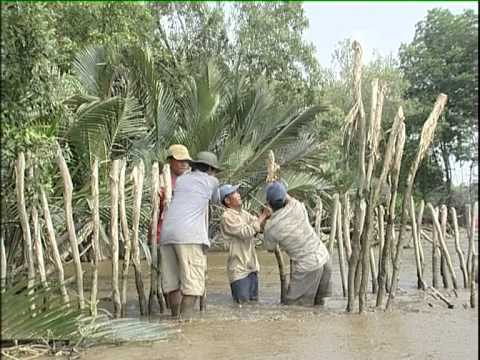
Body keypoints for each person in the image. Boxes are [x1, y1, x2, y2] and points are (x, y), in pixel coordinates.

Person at [160, 151, 221, 318]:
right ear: (210, 169)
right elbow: (216, 200)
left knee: (173, 283)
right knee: (193, 285)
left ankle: (174, 318)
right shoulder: (212, 181)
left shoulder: (181, 180)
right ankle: (186, 324)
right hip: (189, 236)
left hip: (166, 234)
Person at [263, 181, 332, 306]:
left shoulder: (271, 227)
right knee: (318, 304)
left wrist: (265, 217)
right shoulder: (297, 206)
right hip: (324, 257)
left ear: (268, 203)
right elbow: (288, 198)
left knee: (294, 307)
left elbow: (270, 248)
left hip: (308, 266)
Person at [219, 184, 271, 304]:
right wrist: (263, 216)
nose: (239, 194)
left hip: (251, 267)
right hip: (238, 270)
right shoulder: (226, 217)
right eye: (235, 193)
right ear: (227, 200)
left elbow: (259, 227)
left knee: (253, 305)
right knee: (242, 306)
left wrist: (266, 217)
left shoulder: (243, 213)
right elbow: (246, 232)